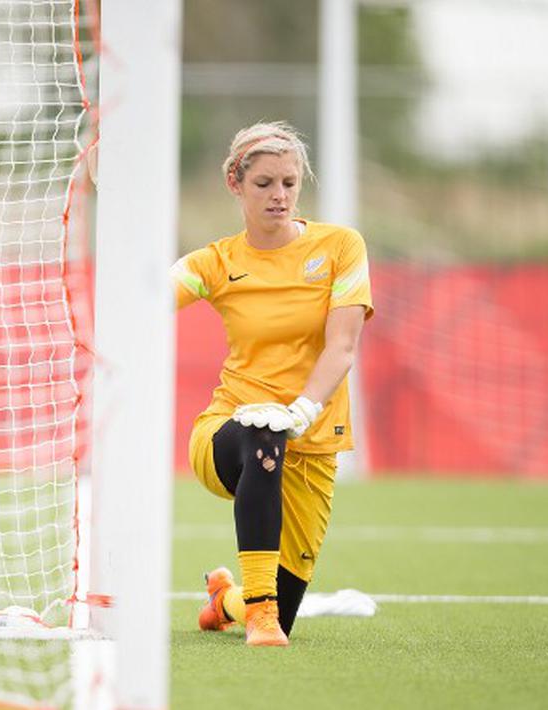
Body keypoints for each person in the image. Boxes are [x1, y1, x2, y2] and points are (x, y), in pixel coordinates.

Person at [171, 121, 373, 647]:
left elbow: (342, 346)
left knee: (289, 608)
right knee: (264, 430)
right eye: (264, 183)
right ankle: (259, 616)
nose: (279, 195)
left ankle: (227, 601)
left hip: (312, 438)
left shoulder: (341, 247)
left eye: (289, 182)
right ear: (235, 184)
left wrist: (302, 411)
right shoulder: (216, 262)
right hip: (228, 435)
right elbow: (145, 292)